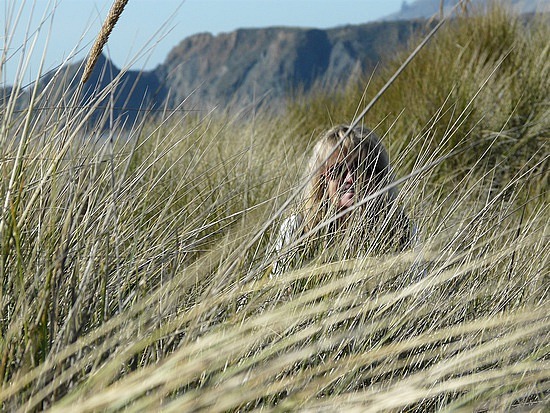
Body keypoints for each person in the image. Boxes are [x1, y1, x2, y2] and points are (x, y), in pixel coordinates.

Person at [270, 124, 417, 276]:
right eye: (337, 169)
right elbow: (277, 292)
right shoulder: (296, 228)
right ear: (322, 179)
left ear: (378, 175)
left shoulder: (402, 229)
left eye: (361, 167)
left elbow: (418, 290)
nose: (350, 178)